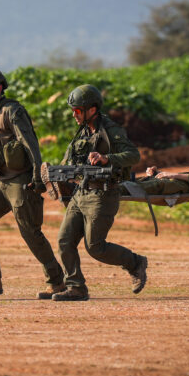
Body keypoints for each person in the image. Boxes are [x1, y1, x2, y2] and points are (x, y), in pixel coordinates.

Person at [0, 67, 65, 299]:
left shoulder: (12, 111)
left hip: (20, 180)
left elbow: (30, 144)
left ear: (0, 88)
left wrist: (38, 176)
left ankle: (57, 281)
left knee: (29, 231)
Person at [52, 84, 146, 301]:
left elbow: (133, 155)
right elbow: (69, 161)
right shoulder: (82, 132)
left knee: (95, 247)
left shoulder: (111, 130)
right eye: (73, 110)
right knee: (64, 241)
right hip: (80, 193)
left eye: (77, 110)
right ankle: (76, 287)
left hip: (103, 194)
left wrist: (107, 159)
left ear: (92, 109)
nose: (74, 114)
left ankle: (135, 262)